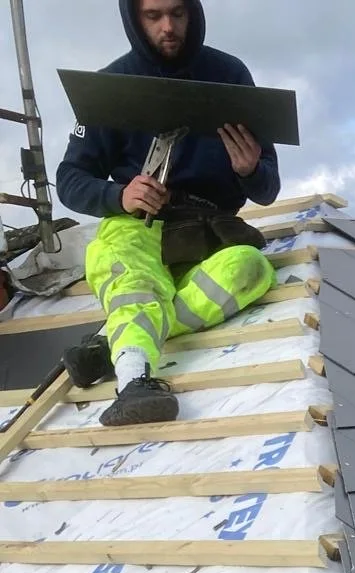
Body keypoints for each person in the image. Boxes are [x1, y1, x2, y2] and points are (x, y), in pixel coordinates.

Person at [55, 0, 282, 426]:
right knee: (138, 282)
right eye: (154, 16)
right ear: (134, 17)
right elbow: (69, 179)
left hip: (208, 234)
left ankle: (110, 343)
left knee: (251, 267)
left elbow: (268, 188)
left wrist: (251, 171)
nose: (169, 27)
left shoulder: (229, 76)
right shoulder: (110, 88)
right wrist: (120, 195)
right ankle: (135, 379)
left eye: (178, 13)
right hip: (136, 226)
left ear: (192, 13)